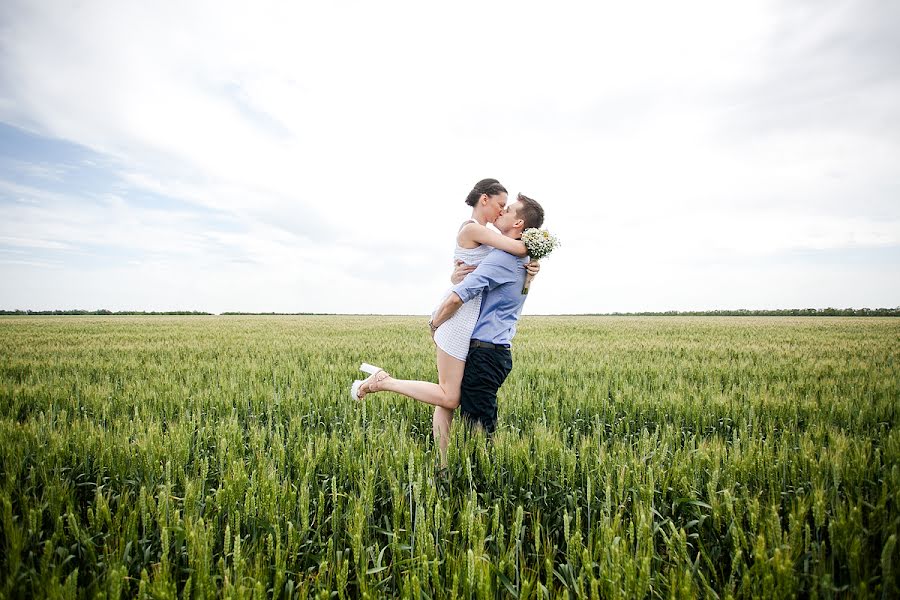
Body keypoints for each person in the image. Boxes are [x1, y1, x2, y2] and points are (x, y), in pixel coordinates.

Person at [351, 180, 540, 455]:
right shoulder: (476, 229)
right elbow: (514, 251)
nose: (501, 211)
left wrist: (531, 267)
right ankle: (384, 382)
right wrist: (532, 250)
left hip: (469, 315)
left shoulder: (494, 240)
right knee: (449, 396)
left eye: (506, 209)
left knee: (447, 398)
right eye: (501, 205)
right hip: (458, 315)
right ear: (484, 199)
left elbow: (496, 266)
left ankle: (442, 464)